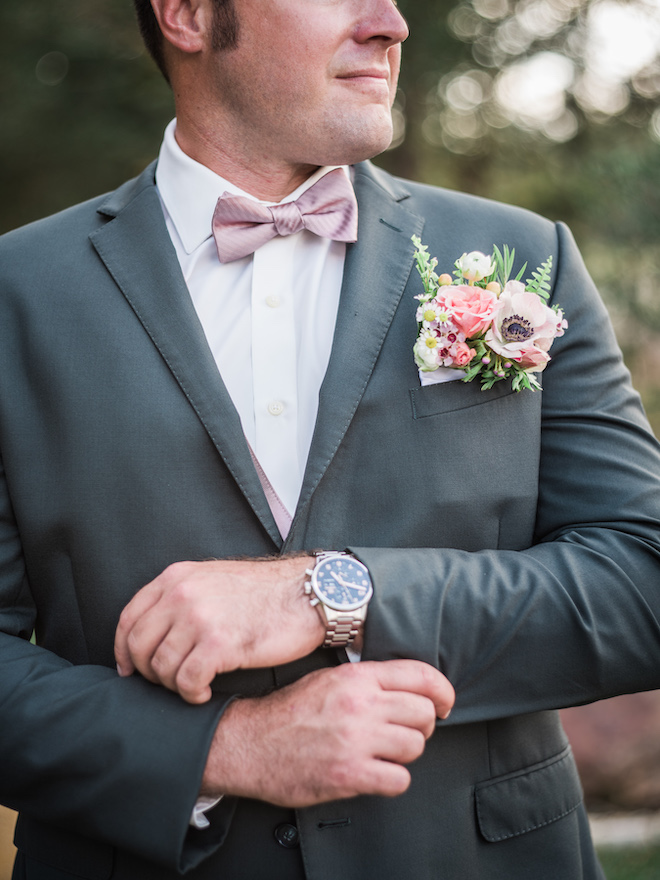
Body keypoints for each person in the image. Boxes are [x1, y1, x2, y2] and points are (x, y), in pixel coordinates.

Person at [1, 0, 659, 877]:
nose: (390, 22)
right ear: (189, 16)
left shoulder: (525, 254)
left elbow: (642, 579)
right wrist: (219, 748)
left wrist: (324, 594)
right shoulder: (18, 294)